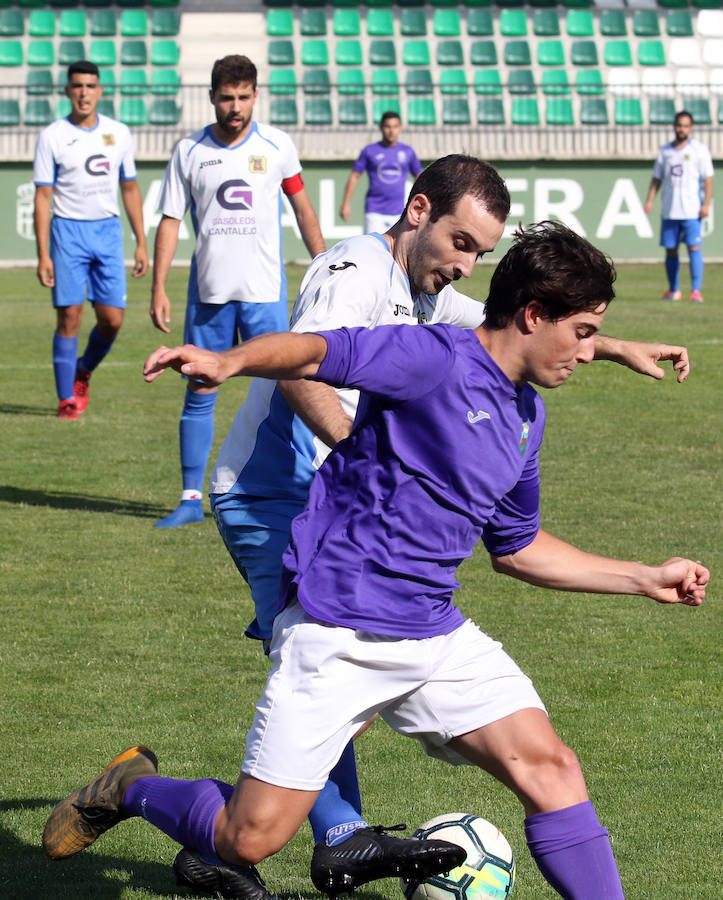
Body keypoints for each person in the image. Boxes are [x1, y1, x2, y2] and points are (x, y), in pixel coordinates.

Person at [43, 221, 708, 900]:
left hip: (433, 633)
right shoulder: (433, 359)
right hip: (337, 630)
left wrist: (642, 577)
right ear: (534, 315)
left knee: (553, 769)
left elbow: (517, 549)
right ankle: (130, 787)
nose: (589, 351)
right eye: (584, 332)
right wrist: (231, 362)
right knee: (248, 838)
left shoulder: (524, 416)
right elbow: (315, 348)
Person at [150, 54, 325, 528]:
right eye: (226, 97)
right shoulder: (188, 151)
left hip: (265, 293)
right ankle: (189, 499)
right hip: (209, 295)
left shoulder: (277, 146)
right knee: (200, 388)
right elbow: (169, 220)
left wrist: (325, 263)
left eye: (243, 97)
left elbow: (304, 209)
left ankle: (303, 491)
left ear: (255, 96)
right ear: (211, 97)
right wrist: (159, 287)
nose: (235, 106)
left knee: (292, 391)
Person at [33, 60, 148, 419]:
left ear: (99, 91)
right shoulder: (52, 136)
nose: (84, 92)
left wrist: (141, 241)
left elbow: (129, 188)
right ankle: (67, 398)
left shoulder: (118, 133)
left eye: (90, 86)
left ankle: (83, 369)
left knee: (112, 319)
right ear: (68, 91)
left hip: (108, 231)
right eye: (77, 86)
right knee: (70, 315)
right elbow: (42, 197)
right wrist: (42, 254)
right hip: (67, 231)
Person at [643, 110, 714, 303]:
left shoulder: (699, 150)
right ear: (674, 126)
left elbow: (708, 179)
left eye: (684, 125)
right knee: (671, 250)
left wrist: (706, 204)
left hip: (692, 209)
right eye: (678, 125)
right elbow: (657, 178)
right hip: (670, 209)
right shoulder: (665, 151)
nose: (681, 129)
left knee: (694, 247)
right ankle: (674, 290)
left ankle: (696, 291)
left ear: (690, 128)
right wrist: (649, 200)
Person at [339, 110, 422, 234]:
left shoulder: (408, 151)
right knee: (372, 250)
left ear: (400, 128)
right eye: (387, 126)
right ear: (381, 127)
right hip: (374, 212)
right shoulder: (370, 151)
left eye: (394, 127)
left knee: (396, 252)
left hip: (399, 212)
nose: (391, 131)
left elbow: (419, 177)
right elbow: (355, 176)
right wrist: (345, 203)